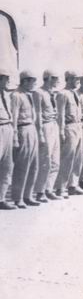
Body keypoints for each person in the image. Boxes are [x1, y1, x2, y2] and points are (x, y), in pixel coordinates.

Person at [10, 70, 40, 208]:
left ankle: (28, 195)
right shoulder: (16, 95)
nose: (34, 84)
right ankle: (18, 197)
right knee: (22, 165)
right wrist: (15, 136)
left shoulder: (29, 95)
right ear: (25, 81)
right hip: (22, 130)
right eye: (32, 81)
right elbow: (14, 117)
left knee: (34, 165)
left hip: (31, 129)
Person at [55, 71, 83, 198]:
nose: (78, 81)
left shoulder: (75, 93)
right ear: (68, 79)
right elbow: (60, 115)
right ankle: (61, 188)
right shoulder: (62, 94)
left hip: (78, 126)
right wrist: (61, 131)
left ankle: (73, 185)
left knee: (78, 157)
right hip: (69, 126)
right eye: (75, 78)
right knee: (67, 158)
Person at [33, 70, 61, 202]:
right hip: (45, 126)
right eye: (55, 78)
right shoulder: (39, 93)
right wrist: (40, 133)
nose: (57, 81)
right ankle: (40, 191)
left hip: (54, 125)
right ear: (48, 78)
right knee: (46, 160)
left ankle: (49, 188)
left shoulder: (52, 93)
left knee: (55, 160)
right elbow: (37, 114)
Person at [0, 69, 16, 209]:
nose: (7, 82)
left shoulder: (7, 94)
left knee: (7, 165)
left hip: (7, 128)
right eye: (5, 79)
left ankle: (2, 198)